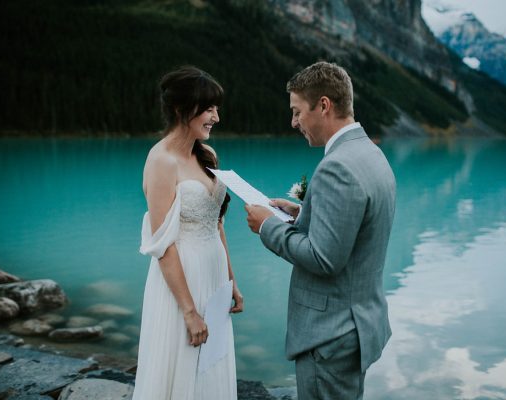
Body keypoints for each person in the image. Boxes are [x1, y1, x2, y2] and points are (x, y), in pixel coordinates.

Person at [245, 61, 396, 400]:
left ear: (324, 105)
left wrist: (267, 226)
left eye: (297, 111)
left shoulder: (337, 167)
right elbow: (357, 226)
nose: (294, 122)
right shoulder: (370, 154)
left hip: (330, 335)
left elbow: (324, 259)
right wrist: (304, 214)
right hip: (358, 325)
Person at [134, 66, 243, 400]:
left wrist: (231, 282)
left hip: (213, 277)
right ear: (183, 110)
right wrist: (189, 311)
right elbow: (162, 245)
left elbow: (218, 224)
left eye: (216, 108)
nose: (216, 117)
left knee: (212, 363)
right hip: (180, 282)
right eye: (208, 108)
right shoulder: (161, 160)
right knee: (183, 363)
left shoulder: (207, 155)